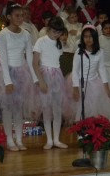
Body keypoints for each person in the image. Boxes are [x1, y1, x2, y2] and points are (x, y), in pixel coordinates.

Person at [0, 2, 38, 151]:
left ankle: (19, 139)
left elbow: (29, 57)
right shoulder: (3, 34)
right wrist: (7, 81)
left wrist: (34, 79)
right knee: (8, 108)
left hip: (22, 73)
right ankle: (9, 139)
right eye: (17, 15)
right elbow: (2, 58)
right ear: (9, 17)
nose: (20, 18)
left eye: (22, 15)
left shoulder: (26, 34)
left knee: (19, 108)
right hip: (7, 72)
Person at [33, 16, 68, 150]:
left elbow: (57, 60)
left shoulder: (59, 43)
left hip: (57, 75)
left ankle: (56, 139)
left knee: (57, 109)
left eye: (59, 32)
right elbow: (35, 63)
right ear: (48, 29)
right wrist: (41, 81)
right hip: (45, 75)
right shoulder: (41, 41)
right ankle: (49, 140)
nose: (57, 35)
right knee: (46, 109)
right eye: (54, 32)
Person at [71, 24, 110, 122]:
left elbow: (102, 69)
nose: (88, 39)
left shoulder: (100, 52)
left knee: (94, 108)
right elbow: (75, 70)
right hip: (80, 83)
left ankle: (92, 131)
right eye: (85, 37)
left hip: (94, 82)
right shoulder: (79, 51)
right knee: (82, 108)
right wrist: (75, 88)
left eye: (90, 36)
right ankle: (82, 132)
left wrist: (106, 87)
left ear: (95, 37)